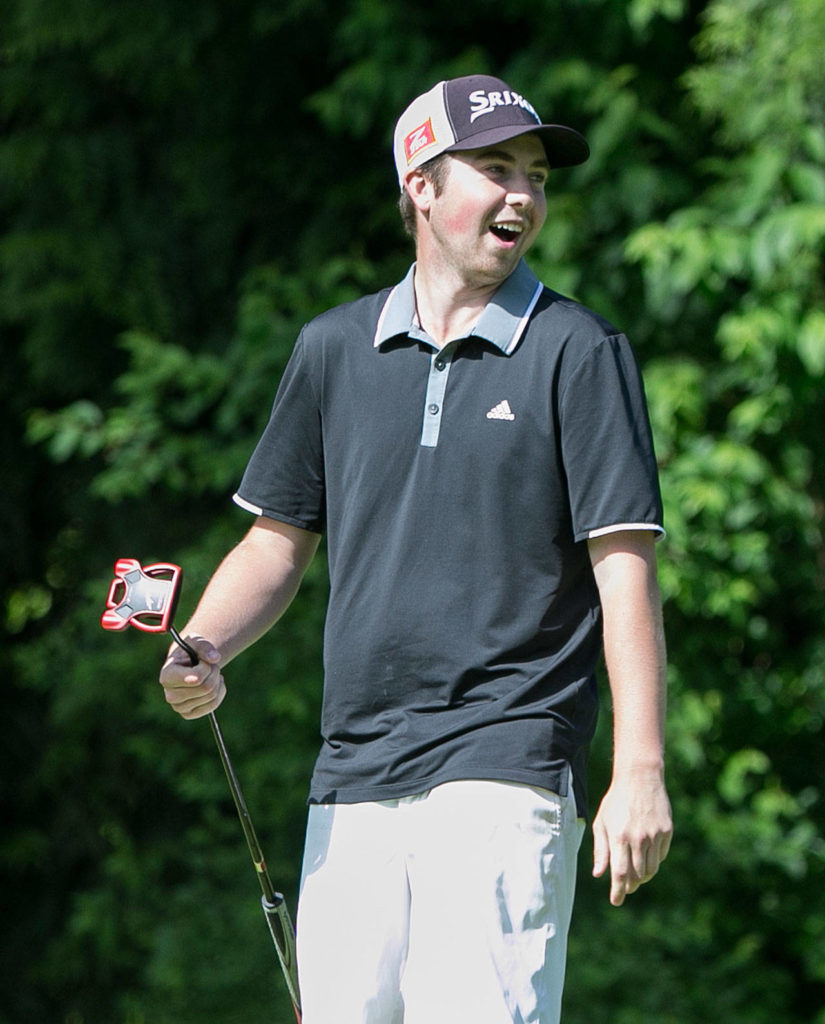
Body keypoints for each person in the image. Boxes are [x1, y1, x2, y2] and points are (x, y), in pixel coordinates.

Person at [159, 73, 673, 1024]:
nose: (522, 193)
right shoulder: (333, 349)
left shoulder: (579, 350)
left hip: (506, 757)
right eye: (494, 168)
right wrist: (206, 646)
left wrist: (637, 765)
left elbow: (623, 568)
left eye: (535, 175)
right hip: (352, 770)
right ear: (421, 186)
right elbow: (275, 541)